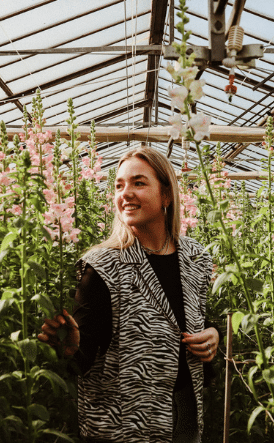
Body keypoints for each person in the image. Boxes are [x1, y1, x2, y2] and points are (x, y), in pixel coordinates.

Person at [38, 146, 219, 443]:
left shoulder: (195, 256)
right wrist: (70, 347)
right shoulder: (101, 265)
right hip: (124, 425)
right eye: (119, 185)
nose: (126, 193)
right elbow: (82, 352)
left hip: (185, 414)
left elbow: (192, 316)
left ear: (166, 195)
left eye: (139, 183)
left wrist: (213, 333)